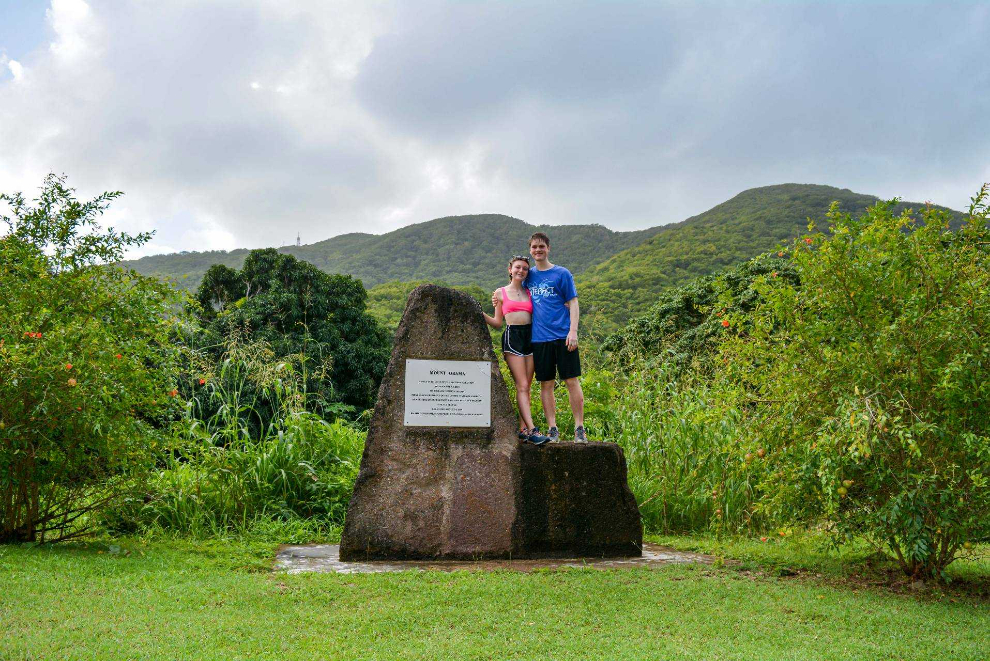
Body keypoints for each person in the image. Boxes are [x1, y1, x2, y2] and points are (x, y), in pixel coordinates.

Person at [500, 232, 587, 442]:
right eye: (534, 247)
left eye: (541, 247)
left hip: (563, 336)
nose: (538, 250)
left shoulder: (562, 274)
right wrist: (497, 296)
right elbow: (514, 288)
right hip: (539, 339)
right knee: (545, 384)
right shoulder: (529, 276)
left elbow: (573, 302)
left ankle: (579, 428)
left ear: (548, 248)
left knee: (571, 381)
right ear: (531, 250)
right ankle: (552, 428)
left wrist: (573, 331)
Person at [484, 256, 551, 445]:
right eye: (517, 267)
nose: (521, 271)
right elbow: (497, 323)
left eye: (524, 268)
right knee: (521, 385)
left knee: (527, 387)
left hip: (531, 337)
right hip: (512, 338)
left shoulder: (530, 292)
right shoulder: (500, 293)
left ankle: (523, 430)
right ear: (510, 269)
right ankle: (532, 430)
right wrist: (478, 312)